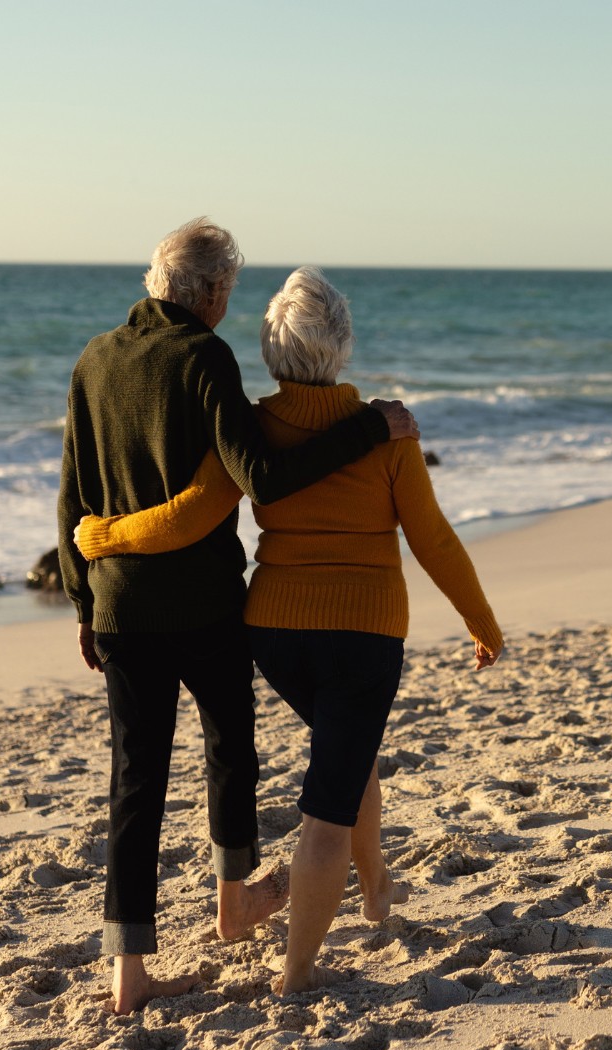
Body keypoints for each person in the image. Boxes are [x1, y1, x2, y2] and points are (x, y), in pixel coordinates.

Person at [75, 266, 503, 995]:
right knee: (327, 809)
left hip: (272, 633)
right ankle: (297, 972)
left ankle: (376, 891)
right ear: (340, 346)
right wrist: (481, 622)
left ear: (272, 349)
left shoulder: (251, 426)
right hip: (363, 635)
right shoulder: (389, 432)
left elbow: (193, 511)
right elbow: (432, 540)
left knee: (348, 750)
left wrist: (102, 538)